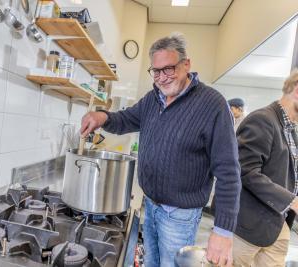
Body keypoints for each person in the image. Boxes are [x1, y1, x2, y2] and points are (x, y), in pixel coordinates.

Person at [80, 33, 241, 267]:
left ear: (186, 64)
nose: (162, 78)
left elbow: (229, 171)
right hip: (151, 206)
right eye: (156, 71)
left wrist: (223, 231)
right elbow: (125, 119)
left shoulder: (213, 104)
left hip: (180, 216)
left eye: (169, 69)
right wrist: (102, 116)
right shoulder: (152, 99)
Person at [233, 70, 298, 267]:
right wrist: (292, 201)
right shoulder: (262, 119)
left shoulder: (291, 129)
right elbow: (246, 171)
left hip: (278, 224)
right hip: (248, 224)